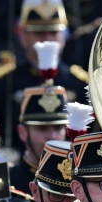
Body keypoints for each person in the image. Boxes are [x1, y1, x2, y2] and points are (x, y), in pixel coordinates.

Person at [0, 0, 87, 149]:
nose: (48, 38)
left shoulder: (80, 83)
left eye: (54, 32)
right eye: (39, 33)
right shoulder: (1, 83)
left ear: (63, 36)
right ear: (23, 36)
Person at [8, 45, 70, 194]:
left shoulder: (78, 180)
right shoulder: (6, 182)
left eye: (58, 128)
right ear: (22, 133)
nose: (52, 137)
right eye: (42, 129)